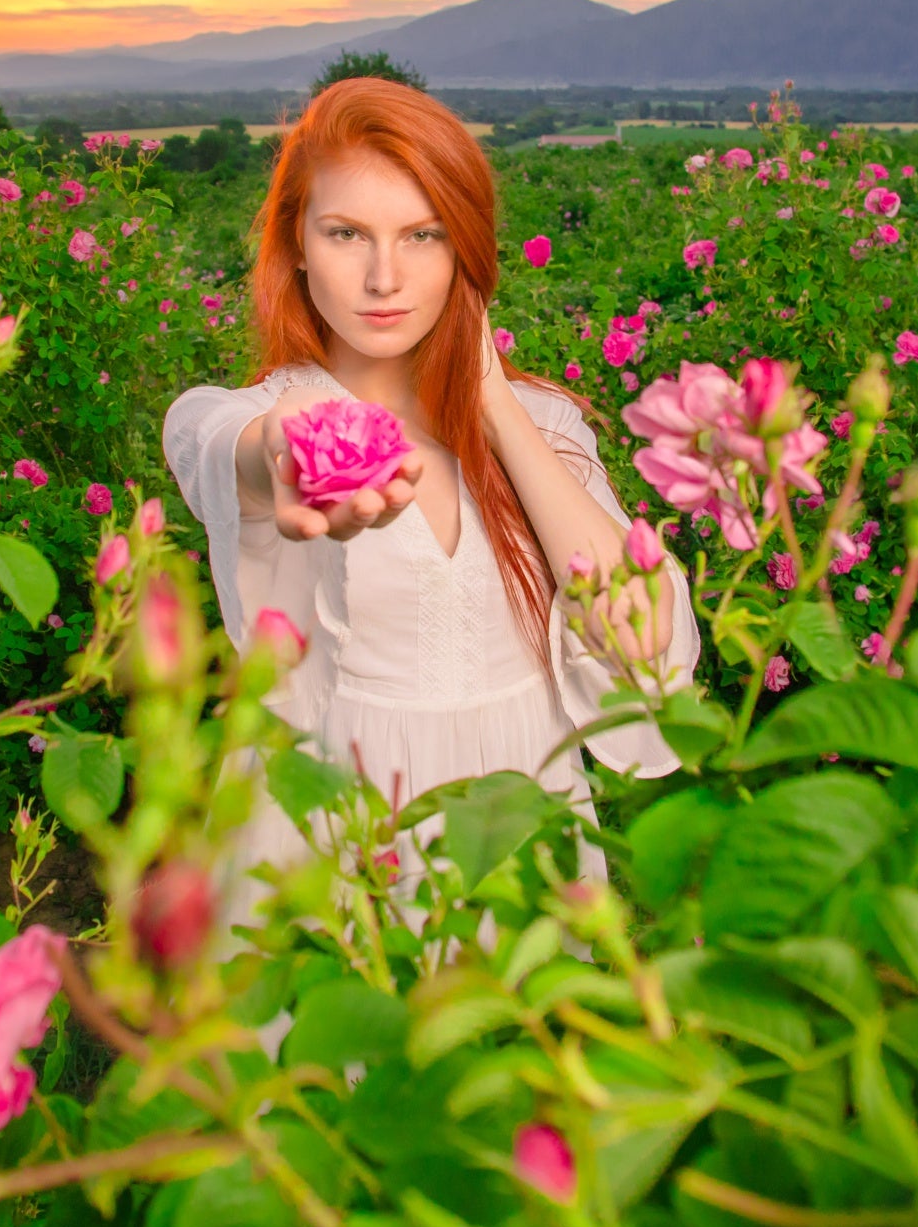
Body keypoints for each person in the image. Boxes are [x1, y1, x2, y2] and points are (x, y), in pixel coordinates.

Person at [161, 77, 693, 910]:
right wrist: (291, 453)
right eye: (346, 234)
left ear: (464, 251)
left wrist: (491, 398)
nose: (384, 277)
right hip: (334, 826)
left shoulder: (543, 426)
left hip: (519, 814)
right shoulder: (263, 414)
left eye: (423, 235)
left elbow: (639, 636)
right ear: (296, 243)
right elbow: (219, 447)